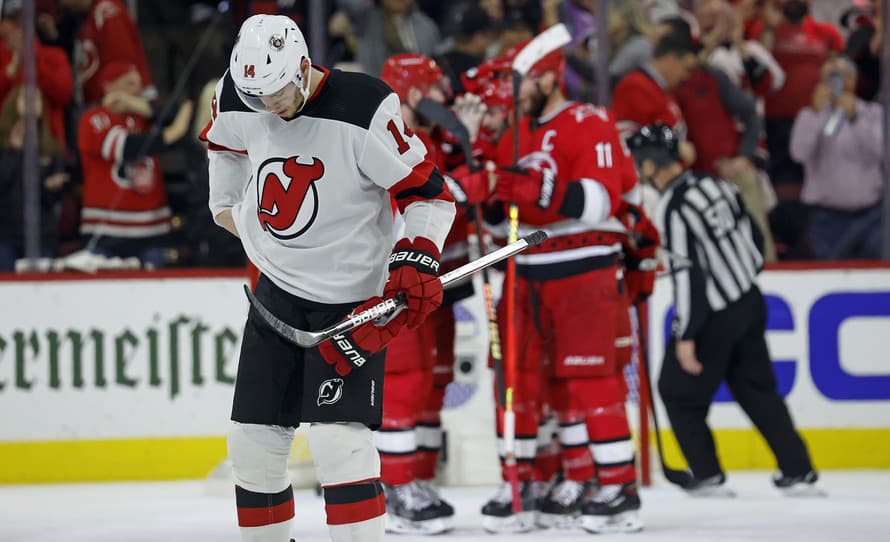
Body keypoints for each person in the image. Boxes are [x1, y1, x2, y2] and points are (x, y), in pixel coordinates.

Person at [200, 15, 455, 542]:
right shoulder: (239, 93)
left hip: (351, 304)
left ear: (301, 67)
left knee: (339, 443)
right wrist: (225, 207)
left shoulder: (363, 106)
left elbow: (429, 192)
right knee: (252, 442)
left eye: (275, 93)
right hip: (275, 296)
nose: (266, 107)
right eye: (255, 96)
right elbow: (223, 144)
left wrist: (419, 252)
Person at [481, 43, 642, 535]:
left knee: (589, 378)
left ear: (549, 78)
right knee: (540, 380)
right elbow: (497, 225)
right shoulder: (518, 130)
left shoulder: (588, 120)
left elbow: (600, 198)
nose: (513, 94)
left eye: (521, 83)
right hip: (528, 269)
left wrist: (537, 193)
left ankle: (618, 486)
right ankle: (556, 478)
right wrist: (493, 201)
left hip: (584, 266)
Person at [627, 123, 820, 497]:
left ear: (652, 165)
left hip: (713, 315)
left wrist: (686, 336)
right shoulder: (715, 184)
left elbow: (689, 277)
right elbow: (755, 237)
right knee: (757, 389)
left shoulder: (673, 206)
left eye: (640, 163)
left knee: (677, 391)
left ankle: (707, 474)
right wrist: (742, 280)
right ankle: (799, 471)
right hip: (749, 299)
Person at [375, 52, 474, 535]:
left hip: (431, 280)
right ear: (413, 95)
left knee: (432, 379)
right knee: (405, 378)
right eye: (436, 92)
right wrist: (469, 179)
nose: (446, 101)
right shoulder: (387, 137)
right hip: (392, 279)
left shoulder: (432, 140)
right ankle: (394, 490)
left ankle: (416, 478)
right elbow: (426, 196)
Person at [77, 62, 191, 267]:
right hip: (107, 232)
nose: (138, 89)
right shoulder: (94, 119)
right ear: (108, 87)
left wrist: (140, 106)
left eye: (140, 84)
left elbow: (182, 115)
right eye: (130, 84)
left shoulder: (145, 118)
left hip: (154, 230)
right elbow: (128, 146)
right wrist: (172, 133)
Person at [790, 56, 883, 260]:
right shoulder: (808, 116)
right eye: (827, 78)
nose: (833, 84)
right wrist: (816, 115)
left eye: (838, 76)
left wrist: (855, 119)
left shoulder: (874, 114)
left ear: (852, 80)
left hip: (872, 218)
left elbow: (881, 152)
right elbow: (799, 154)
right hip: (826, 219)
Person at [0, 0, 73, 148]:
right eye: (12, 21)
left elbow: (64, 93)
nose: (17, 30)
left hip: (46, 145)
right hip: (4, 145)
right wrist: (12, 68)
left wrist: (32, 61)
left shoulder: (53, 56)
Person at [61, 0, 156, 105]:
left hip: (122, 107)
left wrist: (119, 103)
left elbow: (124, 71)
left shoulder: (106, 10)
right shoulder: (87, 16)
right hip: (104, 105)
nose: (62, 3)